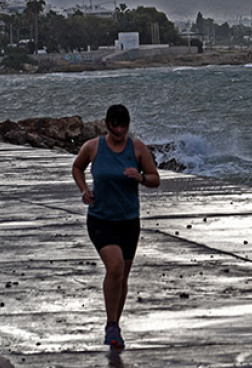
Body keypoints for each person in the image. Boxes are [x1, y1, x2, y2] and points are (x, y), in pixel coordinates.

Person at [72, 104, 160, 351]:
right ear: (107, 124)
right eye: (115, 125)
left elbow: (155, 179)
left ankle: (115, 327)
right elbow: (77, 167)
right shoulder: (94, 147)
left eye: (124, 125)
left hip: (129, 221)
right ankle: (111, 324)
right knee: (115, 267)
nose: (120, 130)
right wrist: (84, 190)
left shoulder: (137, 148)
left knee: (122, 277)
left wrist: (140, 177)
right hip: (101, 219)